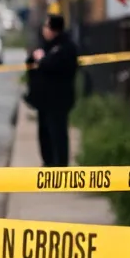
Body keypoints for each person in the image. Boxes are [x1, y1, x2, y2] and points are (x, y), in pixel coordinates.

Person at [26, 14, 79, 167]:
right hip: (43, 99)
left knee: (58, 133)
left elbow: (54, 66)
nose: (44, 30)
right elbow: (32, 64)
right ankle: (48, 162)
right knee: (44, 133)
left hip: (58, 99)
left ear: (53, 29)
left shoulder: (66, 47)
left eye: (46, 26)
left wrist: (41, 60)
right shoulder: (46, 46)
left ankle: (60, 166)